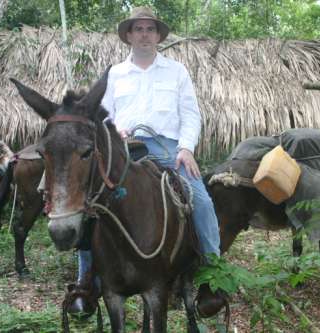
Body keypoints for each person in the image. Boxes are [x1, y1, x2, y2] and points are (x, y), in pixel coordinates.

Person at [68, 6, 222, 317]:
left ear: (158, 35)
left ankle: (212, 275)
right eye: (138, 29)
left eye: (150, 29)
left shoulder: (176, 71)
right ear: (128, 35)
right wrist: (114, 129)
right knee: (91, 203)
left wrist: (186, 148)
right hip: (124, 149)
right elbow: (104, 114)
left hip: (167, 148)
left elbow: (191, 114)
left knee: (202, 201)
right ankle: (86, 280)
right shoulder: (114, 74)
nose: (144, 34)